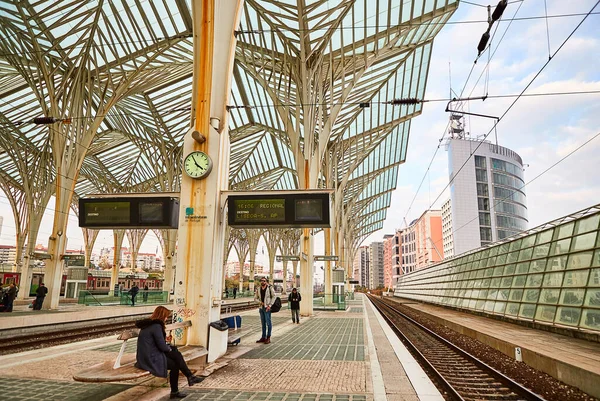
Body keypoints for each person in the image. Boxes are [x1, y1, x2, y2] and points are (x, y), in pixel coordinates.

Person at [135, 306, 204, 398]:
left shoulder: (149, 325)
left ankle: (183, 383)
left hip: (146, 356)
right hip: (151, 359)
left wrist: (168, 346)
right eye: (166, 316)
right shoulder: (156, 326)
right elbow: (162, 347)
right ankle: (189, 377)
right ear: (162, 316)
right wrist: (170, 349)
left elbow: (157, 343)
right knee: (176, 356)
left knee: (175, 360)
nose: (167, 319)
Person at [254, 276, 275, 344]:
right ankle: (263, 337)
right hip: (261, 308)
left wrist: (270, 305)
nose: (262, 282)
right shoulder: (258, 289)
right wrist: (260, 302)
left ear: (266, 282)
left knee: (268, 323)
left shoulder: (269, 288)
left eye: (264, 281)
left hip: (267, 308)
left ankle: (268, 337)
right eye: (261, 281)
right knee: (263, 323)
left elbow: (274, 296)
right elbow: (255, 298)